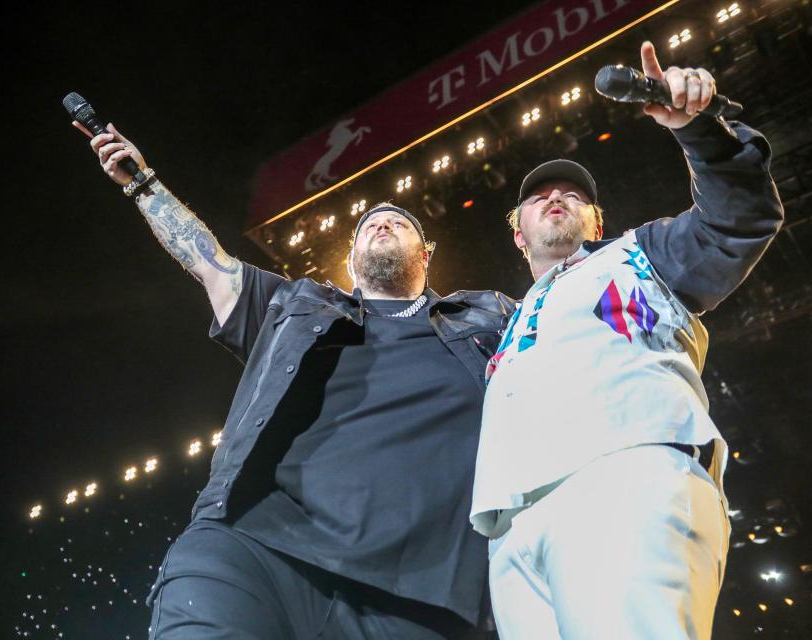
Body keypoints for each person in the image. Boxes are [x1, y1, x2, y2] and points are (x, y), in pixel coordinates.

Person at [73, 117, 514, 638]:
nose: (382, 223)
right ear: (350, 260)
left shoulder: (492, 320)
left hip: (419, 592)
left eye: (399, 221)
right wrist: (143, 183)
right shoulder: (295, 306)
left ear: (426, 253)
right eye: (369, 223)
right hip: (257, 548)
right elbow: (210, 264)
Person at [469, 41, 784, 639]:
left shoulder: (640, 254)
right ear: (518, 236)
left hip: (623, 479)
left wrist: (703, 130)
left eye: (573, 195)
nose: (555, 198)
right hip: (512, 528)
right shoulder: (506, 322)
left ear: (597, 222)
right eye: (537, 198)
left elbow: (737, 221)